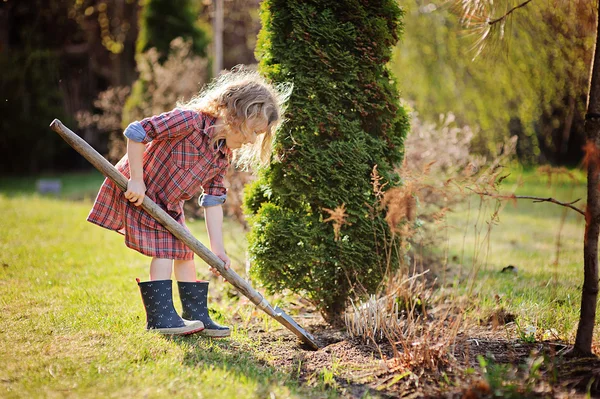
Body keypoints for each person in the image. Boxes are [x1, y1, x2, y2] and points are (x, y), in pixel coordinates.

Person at [87, 67, 288, 336]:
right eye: (253, 131)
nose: (252, 140)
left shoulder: (221, 156)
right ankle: (160, 319)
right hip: (142, 193)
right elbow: (137, 132)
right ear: (235, 113)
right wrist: (136, 180)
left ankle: (197, 317)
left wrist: (217, 250)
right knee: (166, 249)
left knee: (185, 253)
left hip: (169, 205)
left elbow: (213, 200)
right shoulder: (188, 121)